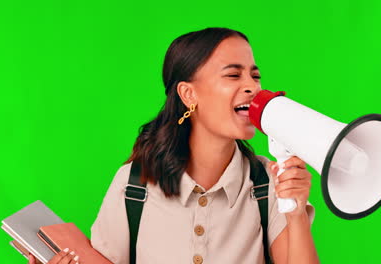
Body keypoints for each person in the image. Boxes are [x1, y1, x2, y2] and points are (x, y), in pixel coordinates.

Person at [28, 27, 319, 264]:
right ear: (188, 94)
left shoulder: (269, 183)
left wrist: (294, 214)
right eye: (233, 75)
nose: (253, 87)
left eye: (255, 76)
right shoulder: (134, 185)